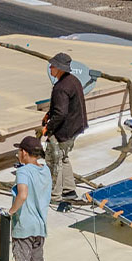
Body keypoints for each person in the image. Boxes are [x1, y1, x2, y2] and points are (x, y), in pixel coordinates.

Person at [8, 136, 51, 261]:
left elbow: (23, 194)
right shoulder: (45, 170)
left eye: (19, 151)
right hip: (40, 226)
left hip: (24, 226)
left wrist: (11, 212)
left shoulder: (23, 171)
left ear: (24, 152)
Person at [43, 52, 88, 202]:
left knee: (54, 161)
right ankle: (69, 191)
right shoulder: (74, 80)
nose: (50, 68)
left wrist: (48, 128)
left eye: (53, 66)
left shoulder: (60, 87)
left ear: (60, 68)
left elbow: (61, 113)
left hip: (65, 130)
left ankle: (54, 195)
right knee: (64, 158)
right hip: (76, 127)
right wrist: (48, 114)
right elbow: (60, 108)